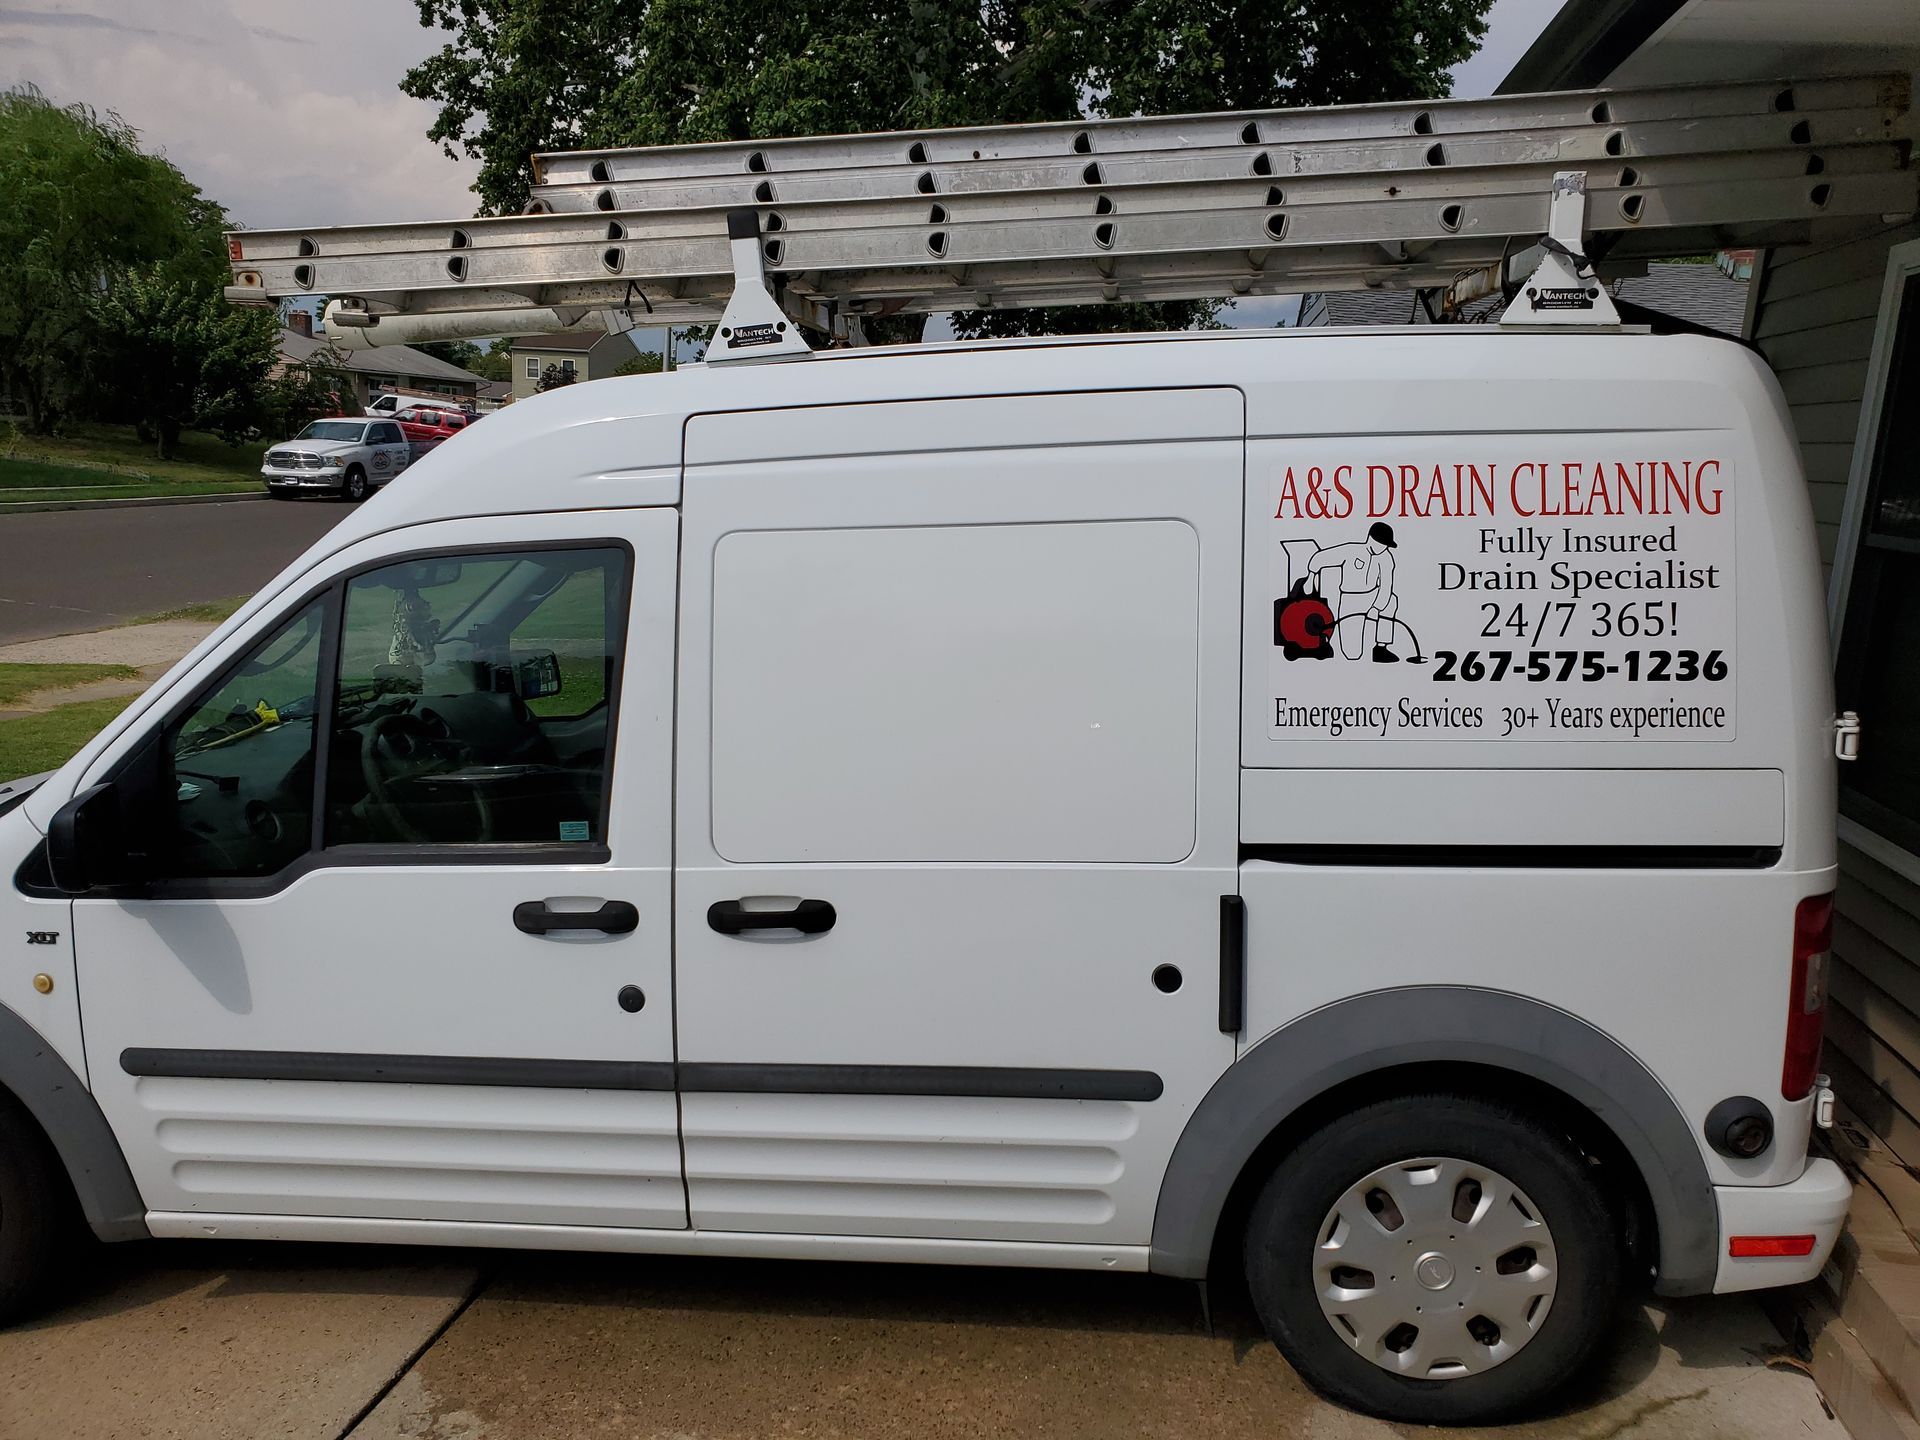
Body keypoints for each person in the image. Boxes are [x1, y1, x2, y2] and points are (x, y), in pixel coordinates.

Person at [1306, 521, 1402, 662]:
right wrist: (1311, 576)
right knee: (1352, 654)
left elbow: (1386, 586)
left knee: (1391, 600)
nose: (1384, 548)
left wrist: (1376, 607)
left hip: (1372, 595)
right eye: (1382, 544)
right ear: (1371, 538)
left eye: (1386, 545)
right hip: (1350, 599)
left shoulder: (1386, 558)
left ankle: (1381, 648)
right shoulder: (1351, 550)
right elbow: (1320, 558)